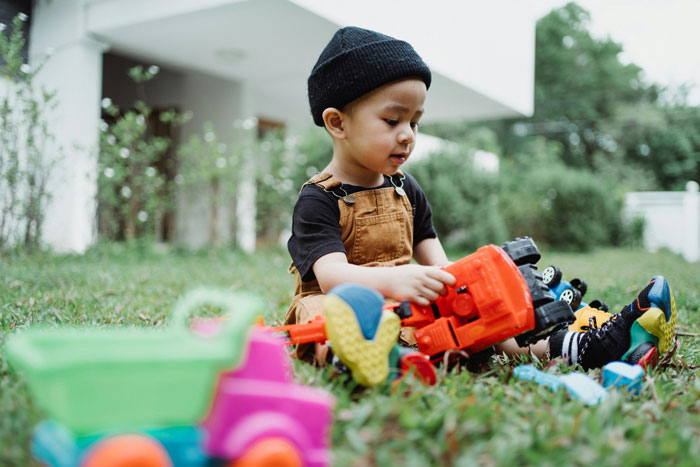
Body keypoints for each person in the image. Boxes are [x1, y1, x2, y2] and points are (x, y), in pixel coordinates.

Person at [285, 26, 677, 384]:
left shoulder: (406, 189)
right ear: (337, 123)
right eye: (392, 120)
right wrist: (396, 279)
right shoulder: (319, 198)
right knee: (335, 317)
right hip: (344, 300)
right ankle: (365, 359)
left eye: (415, 122)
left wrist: (467, 291)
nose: (407, 135)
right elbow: (333, 274)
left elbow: (440, 265)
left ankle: (581, 347)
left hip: (404, 301)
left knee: (483, 310)